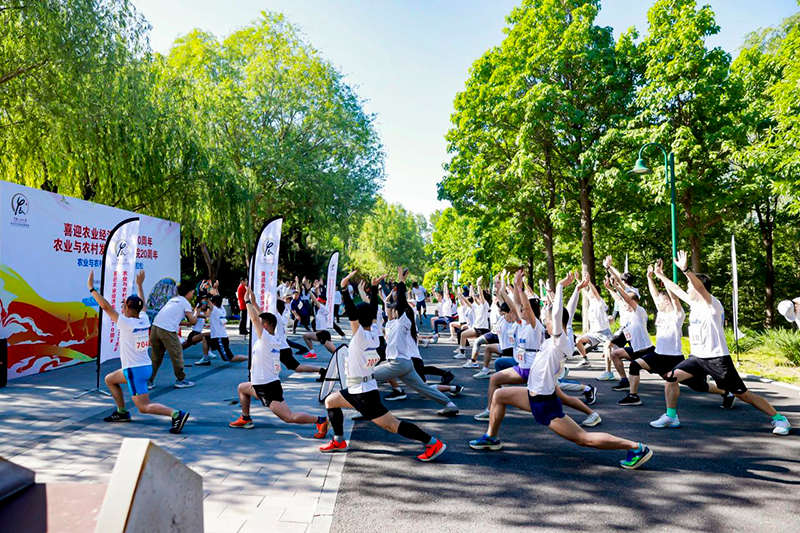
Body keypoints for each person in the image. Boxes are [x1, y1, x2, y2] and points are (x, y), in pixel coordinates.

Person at [469, 271, 653, 470]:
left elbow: (557, 314)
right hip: (534, 396)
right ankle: (491, 437)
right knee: (499, 395)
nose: (546, 321)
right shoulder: (558, 337)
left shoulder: (560, 341)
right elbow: (564, 312)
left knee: (583, 439)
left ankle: (636, 447)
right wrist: (573, 290)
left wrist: (559, 287)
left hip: (544, 404)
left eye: (548, 319)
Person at [648, 251, 791, 435]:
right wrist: (660, 275)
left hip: (717, 359)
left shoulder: (712, 305)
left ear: (699, 288)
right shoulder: (694, 304)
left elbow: (699, 288)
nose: (687, 289)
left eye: (689, 286)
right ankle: (671, 416)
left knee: (743, 394)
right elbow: (675, 289)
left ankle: (780, 419)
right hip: (697, 358)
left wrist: (686, 270)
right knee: (671, 378)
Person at [319, 270, 447, 461]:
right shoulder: (375, 332)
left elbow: (355, 313)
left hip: (363, 394)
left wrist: (344, 288)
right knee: (331, 401)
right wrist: (372, 288)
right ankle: (338, 441)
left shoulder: (360, 336)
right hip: (359, 388)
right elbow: (371, 310)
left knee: (393, 425)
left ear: (357, 320)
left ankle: (432, 443)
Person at [473, 271, 601, 428]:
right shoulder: (549, 327)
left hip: (534, 370)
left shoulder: (542, 329)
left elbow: (552, 312)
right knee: (562, 397)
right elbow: (568, 311)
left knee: (561, 402)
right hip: (530, 369)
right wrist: (577, 289)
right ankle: (592, 413)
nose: (519, 311)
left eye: (548, 320)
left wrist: (557, 286)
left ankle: (491, 413)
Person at [90, 270, 189, 434]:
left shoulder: (126, 323)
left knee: (143, 406)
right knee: (110, 379)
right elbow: (143, 306)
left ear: (129, 309)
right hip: (144, 367)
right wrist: (139, 285)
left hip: (134, 370)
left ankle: (176, 414)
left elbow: (105, 306)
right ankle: (122, 412)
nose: (122, 308)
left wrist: (92, 289)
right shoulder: (144, 319)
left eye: (124, 306)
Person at [229, 285, 330, 438]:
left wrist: (247, 301)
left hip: (267, 387)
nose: (256, 326)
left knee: (288, 417)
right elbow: (263, 318)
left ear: (264, 327)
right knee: (242, 388)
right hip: (261, 384)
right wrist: (254, 303)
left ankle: (320, 420)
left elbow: (255, 319)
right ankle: (246, 418)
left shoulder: (266, 339)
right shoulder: (273, 336)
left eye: (260, 325)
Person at [373, 267, 460, 415]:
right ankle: (450, 404)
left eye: (393, 309)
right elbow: (384, 304)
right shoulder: (391, 323)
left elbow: (400, 301)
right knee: (423, 388)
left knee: (365, 376)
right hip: (405, 364)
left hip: (398, 364)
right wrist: (377, 287)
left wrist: (401, 279)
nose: (390, 310)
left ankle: (366, 409)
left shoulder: (403, 322)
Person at [598, 268, 655, 394]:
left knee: (666, 375)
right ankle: (624, 381)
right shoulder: (628, 314)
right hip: (635, 350)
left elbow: (627, 299)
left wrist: (616, 286)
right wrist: (609, 288)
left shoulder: (639, 312)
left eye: (627, 302)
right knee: (614, 354)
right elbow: (619, 300)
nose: (624, 304)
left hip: (646, 351)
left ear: (634, 302)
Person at [148, 282, 199, 389]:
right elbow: (193, 321)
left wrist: (188, 323)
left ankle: (149, 381)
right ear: (188, 292)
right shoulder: (185, 303)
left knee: (155, 357)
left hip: (155, 327)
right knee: (177, 355)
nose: (193, 294)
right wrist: (197, 311)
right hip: (167, 330)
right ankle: (180, 380)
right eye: (192, 292)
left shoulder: (173, 300)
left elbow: (173, 319)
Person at [198, 294, 248, 364]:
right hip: (216, 337)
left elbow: (210, 303)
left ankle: (250, 357)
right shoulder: (222, 309)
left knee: (230, 358)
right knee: (205, 338)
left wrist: (206, 297)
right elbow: (217, 298)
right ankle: (206, 359)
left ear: (214, 303)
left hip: (220, 338)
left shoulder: (216, 310)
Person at [574, 278, 612, 369]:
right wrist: (578, 280)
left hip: (604, 332)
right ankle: (585, 360)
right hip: (593, 333)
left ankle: (609, 370)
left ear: (595, 293)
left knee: (611, 352)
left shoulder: (600, 302)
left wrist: (589, 282)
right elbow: (584, 291)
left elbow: (594, 292)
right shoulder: (591, 301)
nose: (589, 292)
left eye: (591, 291)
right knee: (578, 340)